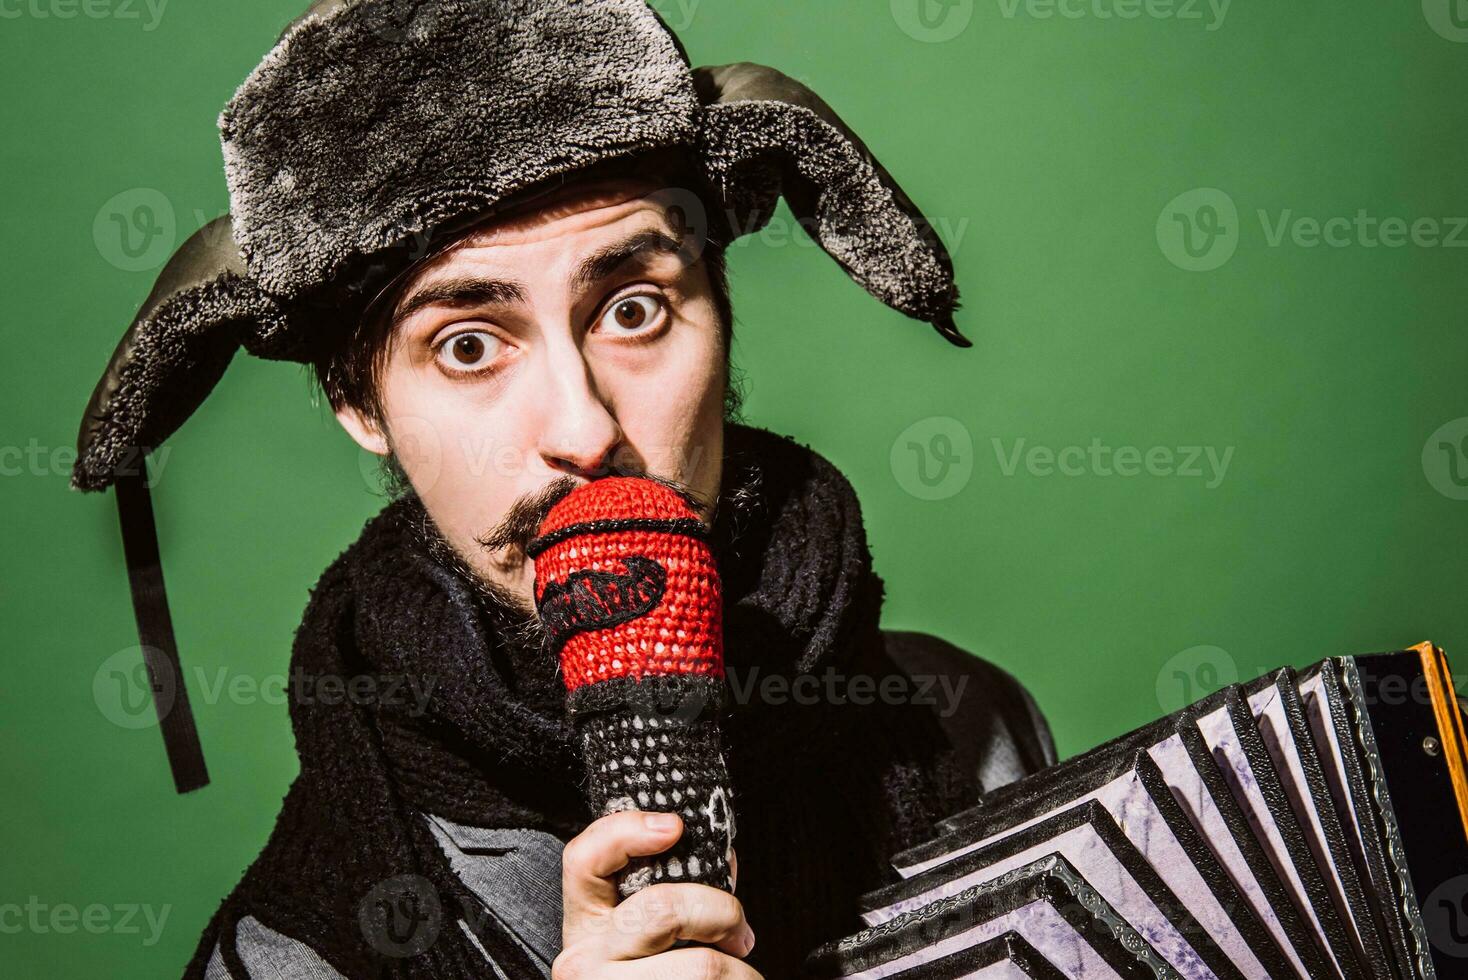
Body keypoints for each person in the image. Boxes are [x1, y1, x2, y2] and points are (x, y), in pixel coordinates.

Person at [71, 2, 1056, 976]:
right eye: (467, 345)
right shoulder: (291, 955)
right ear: (356, 401)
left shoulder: (972, 728)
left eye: (631, 309)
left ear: (718, 310)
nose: (583, 429)